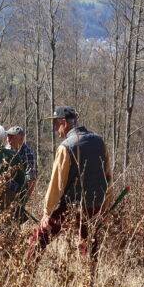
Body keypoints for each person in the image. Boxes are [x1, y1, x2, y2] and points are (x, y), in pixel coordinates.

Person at [27, 106, 113, 274]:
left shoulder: (66, 147)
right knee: (88, 246)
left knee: (38, 239)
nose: (55, 129)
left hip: (71, 206)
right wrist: (106, 203)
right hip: (95, 205)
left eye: (56, 124)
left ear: (64, 123)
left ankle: (25, 276)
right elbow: (107, 175)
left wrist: (47, 213)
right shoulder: (99, 141)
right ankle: (89, 282)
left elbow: (56, 184)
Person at [7, 125, 37, 222]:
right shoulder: (6, 150)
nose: (8, 139)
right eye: (8, 136)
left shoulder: (27, 153)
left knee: (15, 221)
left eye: (12, 137)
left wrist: (24, 200)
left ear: (21, 138)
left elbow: (31, 179)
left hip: (19, 193)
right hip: (4, 192)